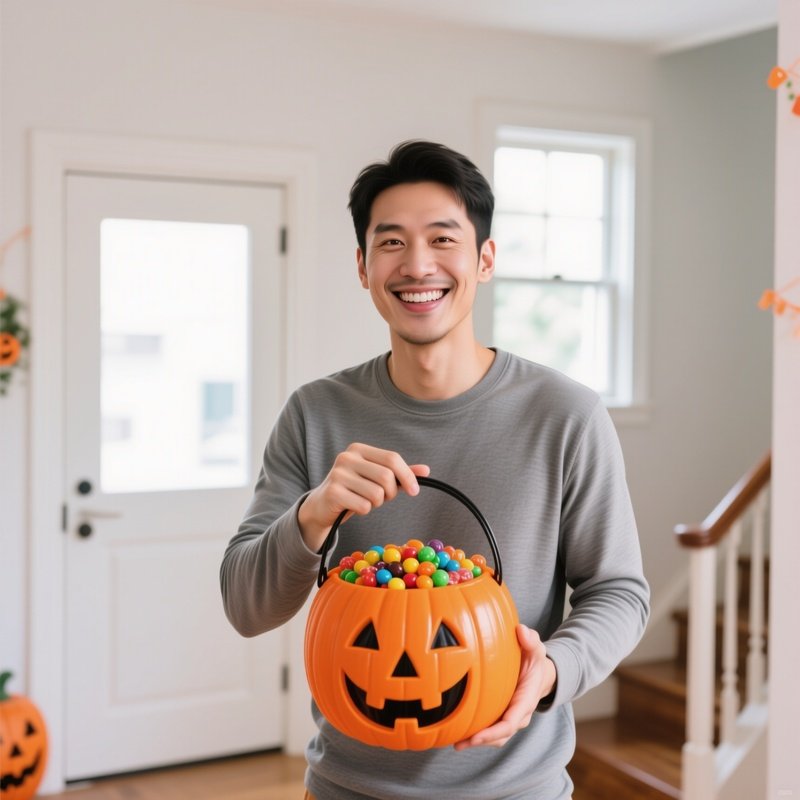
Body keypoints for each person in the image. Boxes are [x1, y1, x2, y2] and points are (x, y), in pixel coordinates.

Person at [220, 140, 650, 800]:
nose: (417, 264)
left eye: (442, 239)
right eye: (390, 243)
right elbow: (245, 607)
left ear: (485, 259)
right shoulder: (315, 414)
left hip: (518, 789)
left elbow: (619, 592)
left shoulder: (565, 416)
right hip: (344, 787)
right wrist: (312, 515)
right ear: (363, 267)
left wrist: (551, 671)